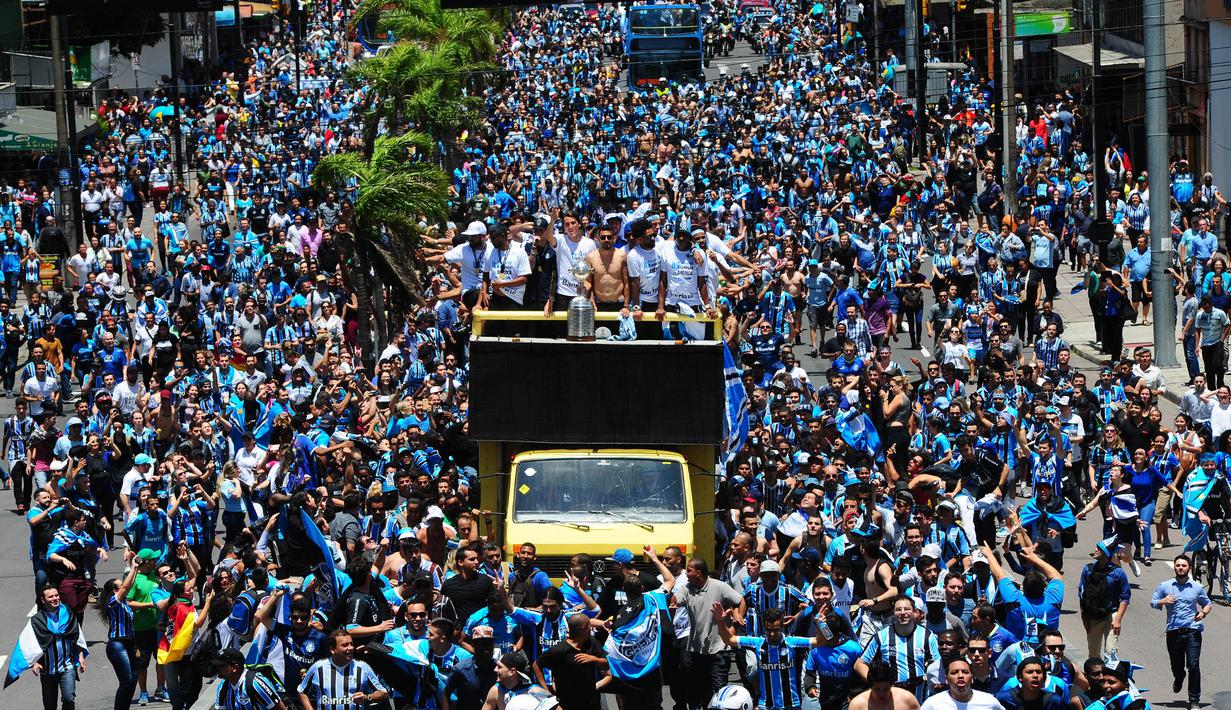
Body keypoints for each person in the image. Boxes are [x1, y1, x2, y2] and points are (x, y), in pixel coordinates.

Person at [1150, 554, 1212, 709]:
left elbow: (1207, 603)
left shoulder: (1197, 587)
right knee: (1177, 665)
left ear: (1189, 568)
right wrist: (1162, 601)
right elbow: (1153, 602)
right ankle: (1179, 677)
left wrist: (1203, 613)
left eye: (1183, 565)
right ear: (1175, 567)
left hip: (1193, 631)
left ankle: (1194, 699)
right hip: (1173, 631)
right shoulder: (1165, 585)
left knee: (1193, 665)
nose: (1180, 568)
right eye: (1177, 565)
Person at [297, 630, 389, 710]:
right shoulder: (318, 668)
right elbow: (302, 691)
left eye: (351, 644)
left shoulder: (363, 668)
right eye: (345, 645)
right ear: (332, 650)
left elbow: (383, 693)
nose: (351, 648)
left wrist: (367, 697)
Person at [212, 648, 285, 710]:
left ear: (235, 667)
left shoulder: (255, 683)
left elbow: (280, 708)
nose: (217, 669)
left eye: (222, 666)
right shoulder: (223, 686)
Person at [920, 657, 1004, 709]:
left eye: (965, 672)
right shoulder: (933, 704)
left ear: (972, 678)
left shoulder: (989, 701)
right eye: (954, 672)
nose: (960, 675)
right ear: (946, 679)